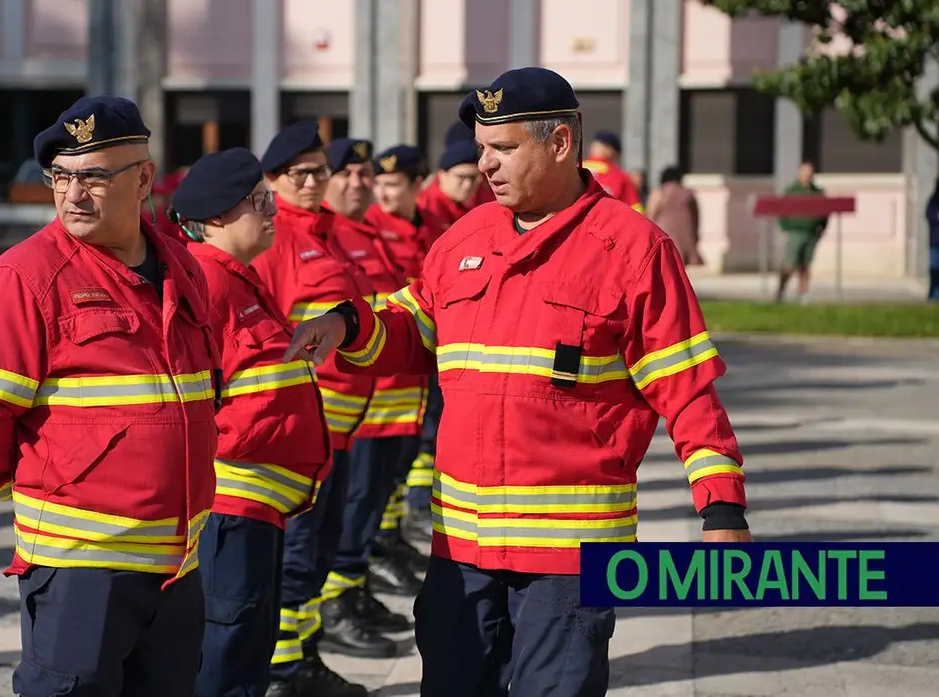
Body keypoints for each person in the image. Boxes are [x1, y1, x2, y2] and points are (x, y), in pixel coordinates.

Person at [285, 67, 754, 697]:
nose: (485, 166)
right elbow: (413, 323)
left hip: (569, 561)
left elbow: (688, 389)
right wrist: (348, 324)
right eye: (481, 149)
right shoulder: (464, 239)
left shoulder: (634, 250)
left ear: (559, 143)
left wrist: (721, 507)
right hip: (462, 550)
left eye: (503, 149)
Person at [0, 95, 221, 697]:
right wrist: (38, 484)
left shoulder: (184, 267)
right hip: (81, 564)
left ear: (144, 178)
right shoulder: (24, 277)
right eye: (60, 177)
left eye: (93, 176)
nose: (72, 194)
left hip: (180, 561)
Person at [170, 147, 332, 697]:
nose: (273, 211)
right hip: (229, 507)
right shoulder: (207, 285)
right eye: (259, 202)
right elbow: (187, 401)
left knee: (247, 648)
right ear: (216, 218)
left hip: (257, 506)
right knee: (226, 648)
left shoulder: (238, 279)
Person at [253, 120, 374, 697]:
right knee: (297, 552)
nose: (315, 182)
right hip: (306, 423)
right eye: (301, 174)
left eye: (319, 172)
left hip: (344, 424)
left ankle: (301, 656)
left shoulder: (324, 232)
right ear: (272, 179)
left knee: (319, 548)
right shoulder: (273, 237)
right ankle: (281, 672)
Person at [318, 137, 420, 651]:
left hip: (385, 402)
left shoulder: (364, 233)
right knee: (346, 514)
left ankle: (350, 594)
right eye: (348, 174)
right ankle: (335, 606)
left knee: (365, 508)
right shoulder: (325, 237)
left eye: (365, 175)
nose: (359, 184)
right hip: (345, 412)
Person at [365, 144, 439, 553]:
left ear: (417, 185)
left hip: (422, 365)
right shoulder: (369, 228)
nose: (384, 194)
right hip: (386, 367)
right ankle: (379, 540)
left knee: (409, 453)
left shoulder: (434, 227)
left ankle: (390, 535)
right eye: (380, 184)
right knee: (379, 469)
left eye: (393, 185)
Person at [775, 160, 828, 304]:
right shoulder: (792, 191)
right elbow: (782, 211)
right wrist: (785, 228)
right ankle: (780, 291)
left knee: (805, 265)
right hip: (795, 231)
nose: (807, 175)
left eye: (809, 172)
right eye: (804, 171)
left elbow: (825, 212)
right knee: (789, 264)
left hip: (811, 232)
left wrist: (822, 227)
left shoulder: (818, 192)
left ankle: (803, 293)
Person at [416, 137, 482, 244]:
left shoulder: (465, 206)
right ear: (442, 175)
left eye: (473, 178)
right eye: (461, 177)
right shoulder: (424, 207)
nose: (468, 185)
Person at [646, 165, 702, 266]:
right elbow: (696, 218)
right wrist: (695, 235)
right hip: (685, 236)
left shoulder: (659, 193)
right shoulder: (688, 194)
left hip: (663, 234)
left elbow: (651, 215)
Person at [583, 130, 643, 213]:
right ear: (612, 152)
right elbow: (636, 210)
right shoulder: (621, 176)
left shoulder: (574, 168)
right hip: (609, 222)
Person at [927, 177, 939, 302]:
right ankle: (933, 296)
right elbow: (931, 215)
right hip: (935, 241)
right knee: (934, 268)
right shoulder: (934, 201)